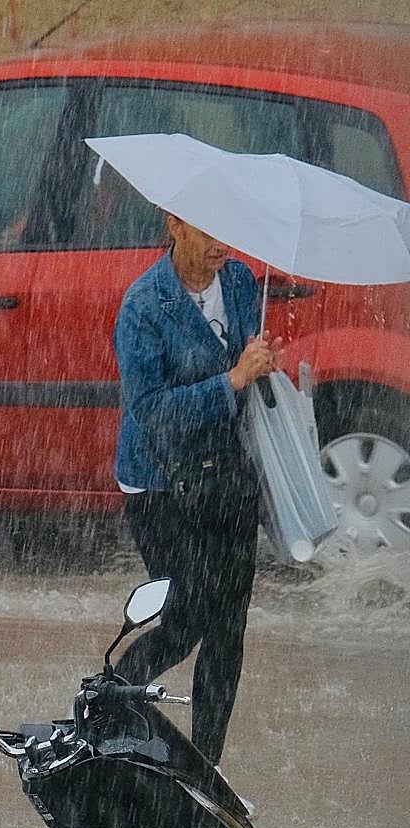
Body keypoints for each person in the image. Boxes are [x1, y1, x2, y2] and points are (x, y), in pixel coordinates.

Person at [112, 212, 282, 769]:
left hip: (226, 477)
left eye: (228, 230)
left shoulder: (240, 281)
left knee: (229, 624)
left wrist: (260, 363)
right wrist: (231, 381)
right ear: (175, 225)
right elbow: (154, 413)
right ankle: (107, 705)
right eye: (208, 231)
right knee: (187, 618)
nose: (221, 245)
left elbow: (245, 365)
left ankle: (208, 766)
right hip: (162, 484)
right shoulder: (143, 306)